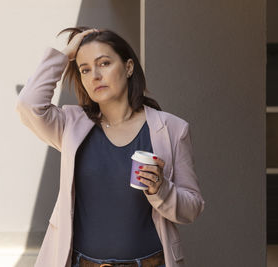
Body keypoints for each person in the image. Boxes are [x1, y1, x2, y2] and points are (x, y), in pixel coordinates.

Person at [15, 26, 205, 267]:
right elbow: (28, 104)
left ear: (128, 67)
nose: (94, 75)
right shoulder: (70, 126)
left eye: (104, 63)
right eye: (85, 69)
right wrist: (66, 55)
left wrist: (161, 189)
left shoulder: (171, 129)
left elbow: (192, 208)